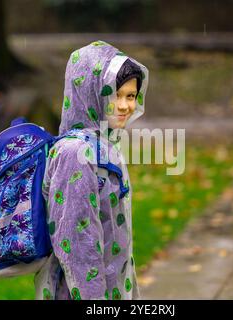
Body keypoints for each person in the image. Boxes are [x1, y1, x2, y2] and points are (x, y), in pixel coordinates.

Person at [34, 40, 149, 300]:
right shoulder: (76, 154)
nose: (124, 106)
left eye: (130, 96)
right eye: (115, 95)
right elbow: (77, 247)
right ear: (90, 93)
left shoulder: (103, 146)